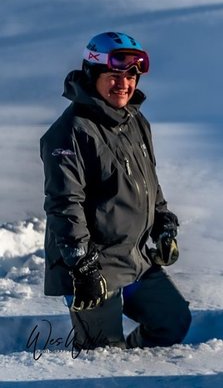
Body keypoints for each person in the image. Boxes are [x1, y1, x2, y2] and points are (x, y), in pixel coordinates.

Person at [41, 31, 191, 350]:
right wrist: (81, 264)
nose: (123, 84)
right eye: (114, 76)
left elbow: (149, 181)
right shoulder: (69, 133)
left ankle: (138, 369)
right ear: (93, 74)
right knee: (103, 353)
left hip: (132, 256)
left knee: (172, 321)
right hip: (91, 264)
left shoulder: (136, 122)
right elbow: (64, 204)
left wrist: (162, 221)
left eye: (130, 76)